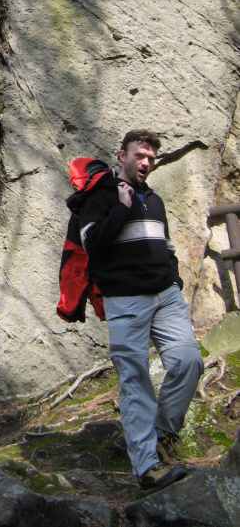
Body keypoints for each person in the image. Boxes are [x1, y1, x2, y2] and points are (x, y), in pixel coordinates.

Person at [78, 129, 203, 491]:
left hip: (166, 297)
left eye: (151, 157)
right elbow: (91, 245)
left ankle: (162, 433)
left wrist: (174, 280)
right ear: (122, 156)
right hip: (125, 300)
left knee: (188, 362)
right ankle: (147, 467)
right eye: (140, 155)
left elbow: (167, 246)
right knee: (136, 381)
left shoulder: (155, 199)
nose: (146, 162)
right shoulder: (100, 196)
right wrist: (121, 207)